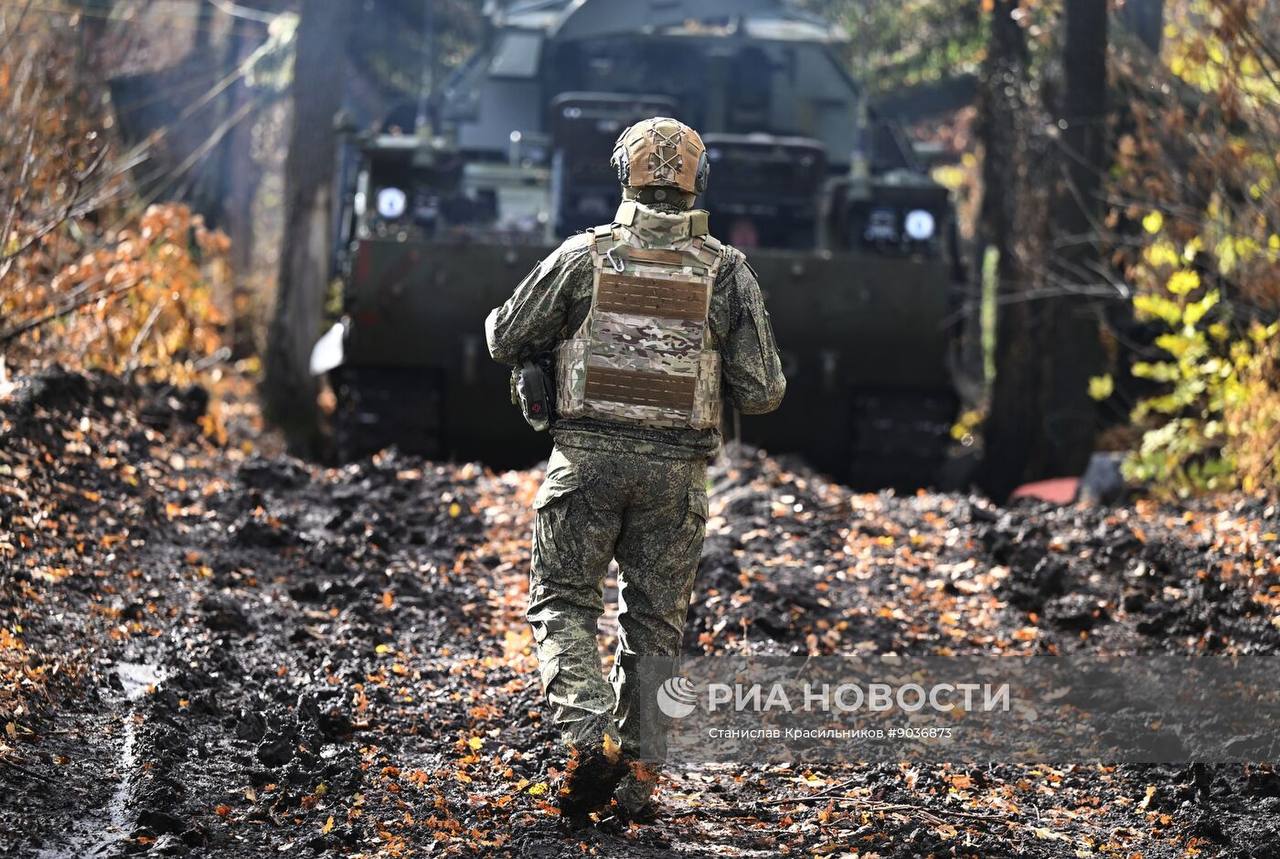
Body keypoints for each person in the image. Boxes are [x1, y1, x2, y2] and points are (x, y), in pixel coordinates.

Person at [485, 117, 786, 820]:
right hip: (675, 478)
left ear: (622, 174)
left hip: (585, 463)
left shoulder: (584, 256)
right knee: (654, 625)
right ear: (698, 182)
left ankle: (589, 735)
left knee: (563, 601)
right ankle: (637, 778)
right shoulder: (727, 271)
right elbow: (764, 391)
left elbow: (505, 335)